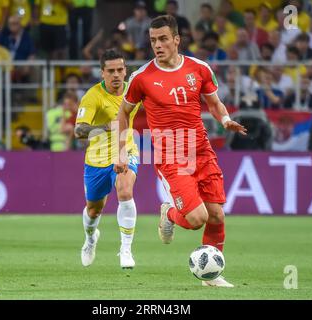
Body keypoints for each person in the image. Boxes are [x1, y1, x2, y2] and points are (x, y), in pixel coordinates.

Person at [115, 15, 246, 287]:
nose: (158, 45)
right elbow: (123, 112)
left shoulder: (199, 69)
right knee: (198, 218)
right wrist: (121, 150)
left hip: (201, 149)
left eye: (163, 39)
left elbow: (214, 103)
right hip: (171, 156)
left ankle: (211, 276)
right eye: (153, 40)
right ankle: (169, 213)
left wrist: (224, 120)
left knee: (217, 215)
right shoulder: (141, 77)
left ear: (177, 39)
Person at [74, 49, 141, 269]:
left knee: (124, 189)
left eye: (120, 70)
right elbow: (79, 131)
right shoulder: (93, 96)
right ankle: (90, 238)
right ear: (102, 73)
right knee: (93, 210)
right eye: (110, 71)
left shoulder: (134, 90)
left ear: (125, 71)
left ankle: (126, 250)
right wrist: (105, 128)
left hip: (126, 151)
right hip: (97, 159)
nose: (116, 75)